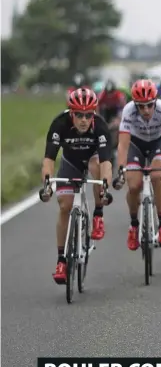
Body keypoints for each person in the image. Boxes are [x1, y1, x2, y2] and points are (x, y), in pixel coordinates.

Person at [39, 88, 113, 284]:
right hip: (70, 162)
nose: (83, 120)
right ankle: (62, 260)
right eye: (79, 115)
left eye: (88, 115)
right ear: (71, 113)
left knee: (96, 166)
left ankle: (98, 215)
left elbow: (107, 163)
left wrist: (105, 188)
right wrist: (46, 185)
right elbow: (48, 159)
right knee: (64, 206)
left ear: (93, 114)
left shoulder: (101, 127)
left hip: (93, 158)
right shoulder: (59, 124)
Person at [114, 79, 161, 250]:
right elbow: (123, 144)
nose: (146, 110)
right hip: (136, 144)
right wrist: (121, 169)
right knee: (134, 186)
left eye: (149, 105)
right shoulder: (128, 110)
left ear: (155, 101)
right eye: (141, 106)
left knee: (158, 176)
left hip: (158, 142)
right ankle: (134, 225)